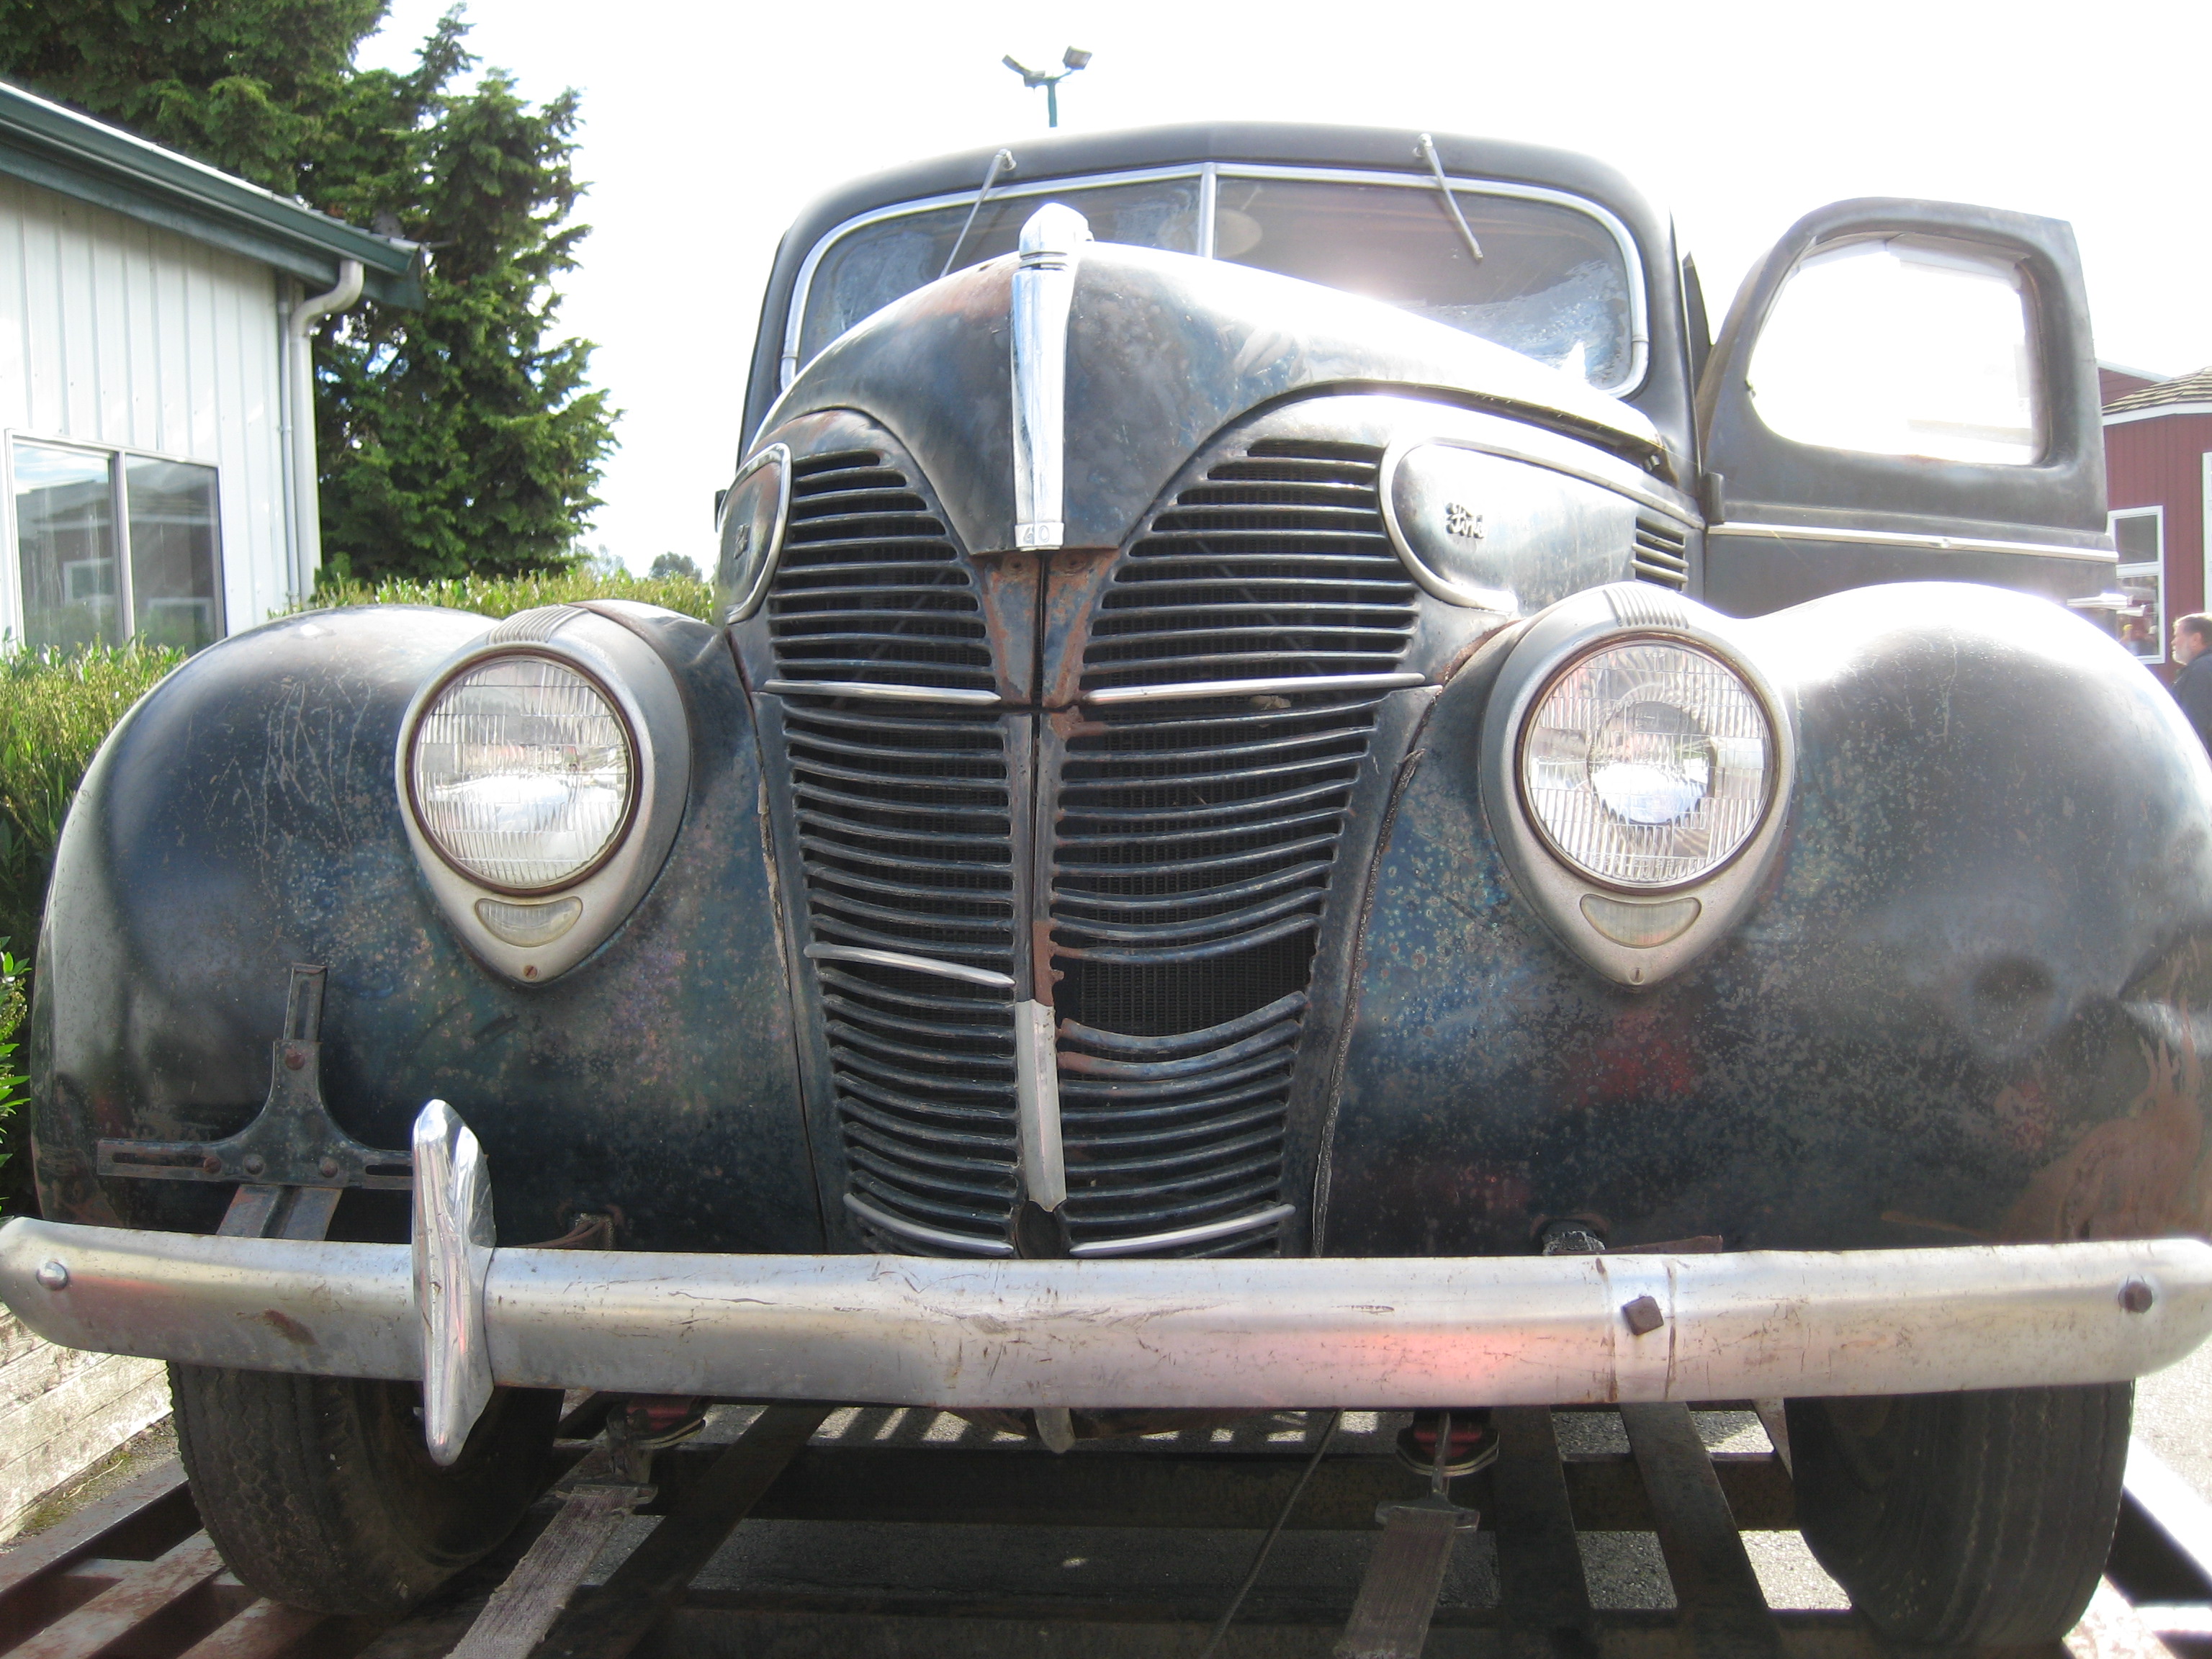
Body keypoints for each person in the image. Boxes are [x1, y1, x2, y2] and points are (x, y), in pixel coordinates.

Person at [2170, 614, 2212, 755]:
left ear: (2195, 639)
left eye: (2177, 636)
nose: (2173, 642)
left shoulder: (2200, 671)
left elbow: (2193, 726)